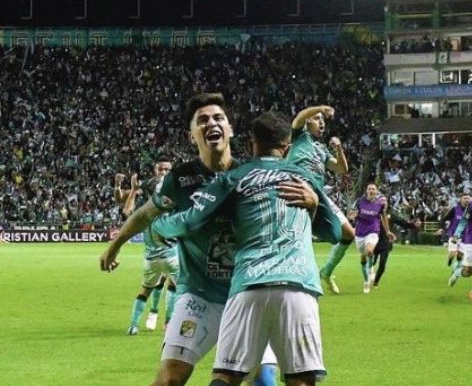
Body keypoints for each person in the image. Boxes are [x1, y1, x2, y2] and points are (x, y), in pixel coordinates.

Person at [99, 93, 284, 386]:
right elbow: (146, 214)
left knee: (264, 381)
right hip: (199, 295)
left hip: (247, 294)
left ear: (231, 129)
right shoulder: (181, 179)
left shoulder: (251, 174)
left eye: (218, 118)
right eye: (203, 120)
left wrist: (312, 201)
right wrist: (115, 244)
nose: (212, 123)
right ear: (192, 134)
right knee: (170, 377)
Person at [150, 111, 341, 386]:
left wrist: (159, 227)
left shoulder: (234, 177)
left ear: (252, 143)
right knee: (300, 380)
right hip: (298, 285)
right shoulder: (305, 178)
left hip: (249, 284)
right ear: (287, 147)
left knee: (226, 376)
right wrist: (313, 205)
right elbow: (334, 232)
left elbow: (191, 221)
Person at [287, 105, 353, 294]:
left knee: (349, 233)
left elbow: (341, 169)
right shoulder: (299, 136)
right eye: (316, 118)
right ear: (308, 121)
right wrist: (321, 108)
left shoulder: (321, 148)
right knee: (298, 234)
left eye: (322, 119)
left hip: (318, 191)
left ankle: (326, 272)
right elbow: (299, 116)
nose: (321, 121)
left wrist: (339, 148)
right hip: (298, 185)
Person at [122, 156, 179, 335]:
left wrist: (133, 189)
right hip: (171, 254)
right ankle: (168, 323)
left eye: (166, 170)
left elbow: (127, 212)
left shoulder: (146, 206)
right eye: (160, 169)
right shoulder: (175, 201)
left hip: (151, 256)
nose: (163, 173)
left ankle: (133, 326)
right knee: (175, 286)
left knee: (145, 290)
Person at [352, 183, 395, 293]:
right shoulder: (359, 201)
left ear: (376, 192)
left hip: (373, 232)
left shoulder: (379, 204)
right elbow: (350, 214)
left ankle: (371, 268)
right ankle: (366, 282)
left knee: (370, 251)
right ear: (367, 190)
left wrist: (388, 231)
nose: (371, 190)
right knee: (363, 258)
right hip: (360, 233)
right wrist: (353, 215)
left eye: (373, 189)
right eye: (369, 188)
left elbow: (384, 217)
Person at [439, 193, 471, 267]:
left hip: (465, 237)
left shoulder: (471, 211)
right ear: (461, 199)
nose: (466, 200)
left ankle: (457, 269)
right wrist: (442, 228)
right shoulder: (455, 209)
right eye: (465, 198)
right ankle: (450, 259)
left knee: (460, 256)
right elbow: (443, 220)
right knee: (453, 253)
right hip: (454, 235)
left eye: (468, 198)